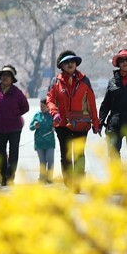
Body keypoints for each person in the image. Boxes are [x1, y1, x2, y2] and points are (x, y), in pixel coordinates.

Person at [46, 50, 99, 189]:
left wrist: (96, 122)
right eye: (66, 62)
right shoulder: (55, 81)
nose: (70, 64)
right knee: (66, 154)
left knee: (79, 154)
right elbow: (50, 99)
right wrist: (54, 113)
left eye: (72, 61)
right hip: (61, 123)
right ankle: (69, 183)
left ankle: (79, 182)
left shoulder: (85, 80)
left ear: (76, 64)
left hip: (81, 123)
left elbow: (91, 103)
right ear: (61, 65)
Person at [0, 65, 29, 186]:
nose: (5, 78)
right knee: (0, 152)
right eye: (3, 76)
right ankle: (3, 175)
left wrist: (14, 114)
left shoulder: (17, 93)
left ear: (12, 79)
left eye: (8, 76)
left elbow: (25, 107)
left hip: (14, 127)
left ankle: (10, 176)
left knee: (13, 151)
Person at [29, 99, 55, 183]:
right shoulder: (37, 115)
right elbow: (30, 127)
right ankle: (42, 177)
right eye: (41, 106)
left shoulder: (52, 115)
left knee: (49, 159)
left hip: (49, 142)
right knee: (42, 161)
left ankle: (50, 177)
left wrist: (54, 127)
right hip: (39, 142)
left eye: (44, 106)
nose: (42, 108)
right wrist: (34, 126)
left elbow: (57, 124)